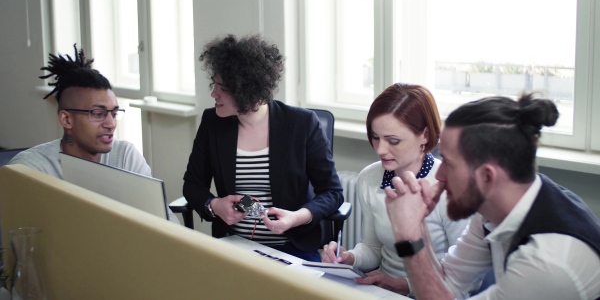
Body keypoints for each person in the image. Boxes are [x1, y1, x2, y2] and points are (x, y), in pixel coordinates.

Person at [384, 93, 600, 299]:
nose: (439, 176)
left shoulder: (547, 263)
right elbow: (449, 284)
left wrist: (408, 239)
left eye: (448, 164)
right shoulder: (493, 209)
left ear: (487, 176)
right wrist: (418, 226)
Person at [182, 34, 344, 261]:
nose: (213, 94)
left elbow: (332, 192)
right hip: (233, 247)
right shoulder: (213, 123)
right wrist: (215, 205)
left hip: (292, 248)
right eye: (214, 84)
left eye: (222, 87)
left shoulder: (302, 124)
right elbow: (192, 185)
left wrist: (297, 217)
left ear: (246, 89)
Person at [321, 83, 469, 296]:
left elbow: (462, 279)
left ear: (425, 136)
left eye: (393, 141)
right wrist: (348, 258)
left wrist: (405, 285)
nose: (380, 149)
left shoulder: (449, 188)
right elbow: (372, 248)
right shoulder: (369, 178)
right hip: (382, 291)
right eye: (375, 137)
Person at [9, 45, 180, 224]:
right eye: (98, 114)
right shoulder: (31, 169)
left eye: (113, 113)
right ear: (67, 120)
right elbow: (23, 239)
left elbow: (168, 224)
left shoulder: (125, 157)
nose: (111, 124)